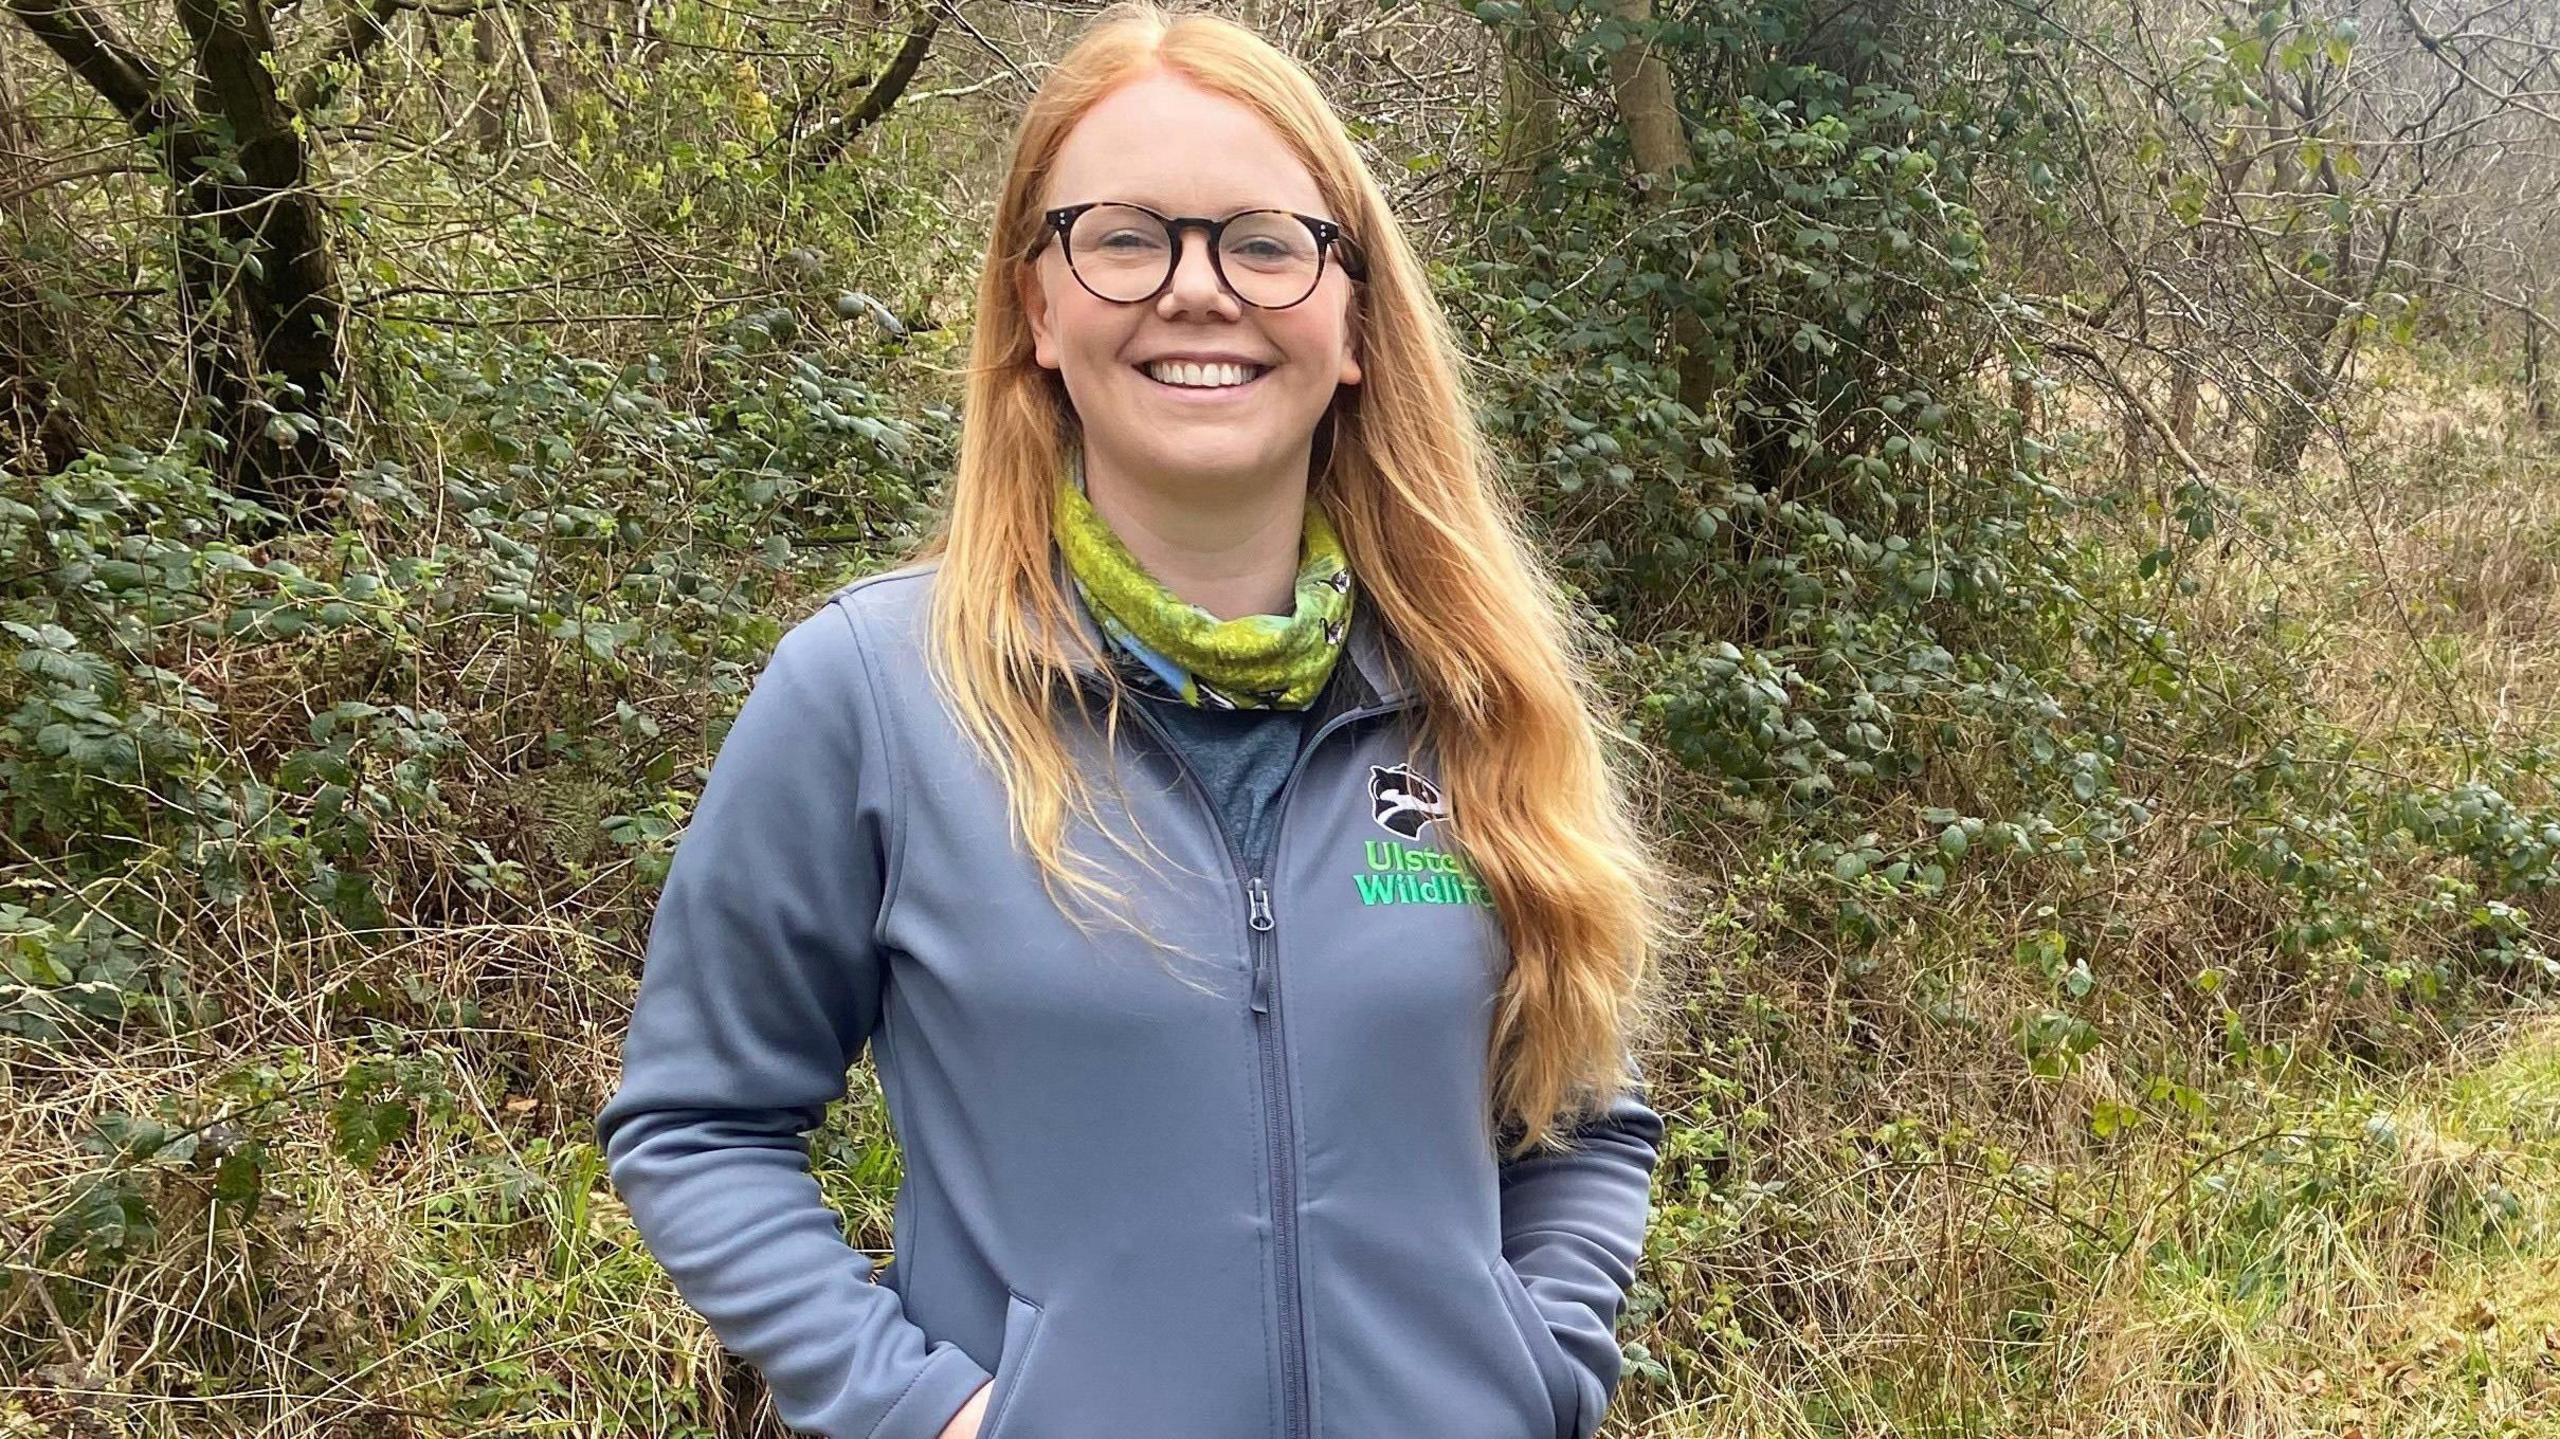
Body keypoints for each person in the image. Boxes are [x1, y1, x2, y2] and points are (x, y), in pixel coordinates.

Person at [592, 5, 1680, 1437]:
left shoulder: (1477, 691)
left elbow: (1583, 1111)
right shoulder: (874, 692)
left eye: (1264, 240)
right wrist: (936, 1415)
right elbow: (698, 1125)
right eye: (1123, 237)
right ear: (1036, 307)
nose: (1198, 289)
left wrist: (1538, 1370)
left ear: (1352, 316)